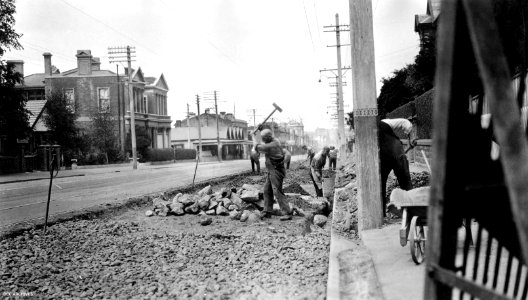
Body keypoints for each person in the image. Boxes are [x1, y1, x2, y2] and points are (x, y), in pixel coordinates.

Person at [252, 129, 293, 221]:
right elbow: (261, 143)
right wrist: (258, 131)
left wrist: (253, 136)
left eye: (264, 138)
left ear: (269, 137)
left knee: (277, 191)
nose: (263, 140)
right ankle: (267, 211)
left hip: (276, 170)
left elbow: (259, 147)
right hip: (271, 170)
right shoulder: (273, 140)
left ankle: (287, 212)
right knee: (267, 190)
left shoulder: (273, 144)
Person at [379, 118, 414, 217]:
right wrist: (410, 137)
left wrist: (411, 137)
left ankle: (382, 214)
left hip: (391, 155)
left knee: (403, 181)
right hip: (389, 156)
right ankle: (412, 210)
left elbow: (405, 123)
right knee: (381, 185)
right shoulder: (384, 123)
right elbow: (406, 123)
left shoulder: (384, 123)